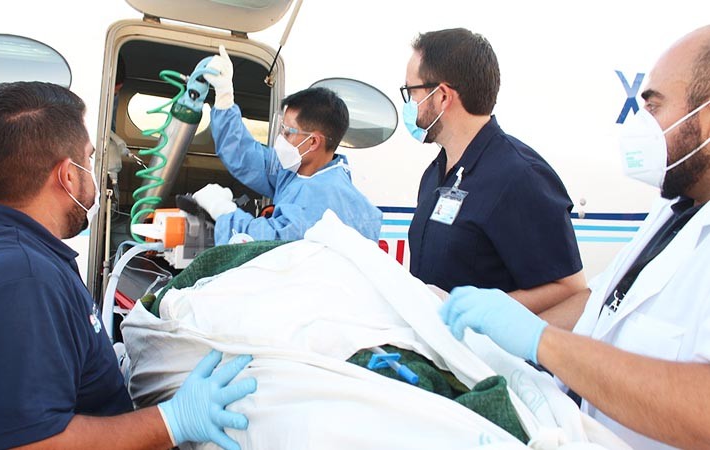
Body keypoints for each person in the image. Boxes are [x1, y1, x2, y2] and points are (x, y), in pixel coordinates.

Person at [0, 81, 257, 450]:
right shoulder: (21, 281)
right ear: (67, 174)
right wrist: (174, 421)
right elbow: (33, 444)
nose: (93, 172)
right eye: (89, 159)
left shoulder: (4, 248)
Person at [440, 25, 710, 449]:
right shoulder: (675, 210)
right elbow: (601, 302)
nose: (639, 127)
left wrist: (543, 342)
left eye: (653, 108)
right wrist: (494, 332)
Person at [402, 28, 586, 313]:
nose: (408, 105)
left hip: (483, 356)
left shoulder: (520, 176)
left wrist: (465, 310)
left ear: (441, 97)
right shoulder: (436, 172)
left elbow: (570, 290)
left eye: (410, 92)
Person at [191, 46, 382, 245]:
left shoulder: (325, 197)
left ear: (314, 141)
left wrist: (224, 211)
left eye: (289, 132)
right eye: (282, 128)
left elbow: (270, 241)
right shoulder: (296, 171)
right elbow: (246, 157)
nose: (280, 139)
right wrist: (224, 98)